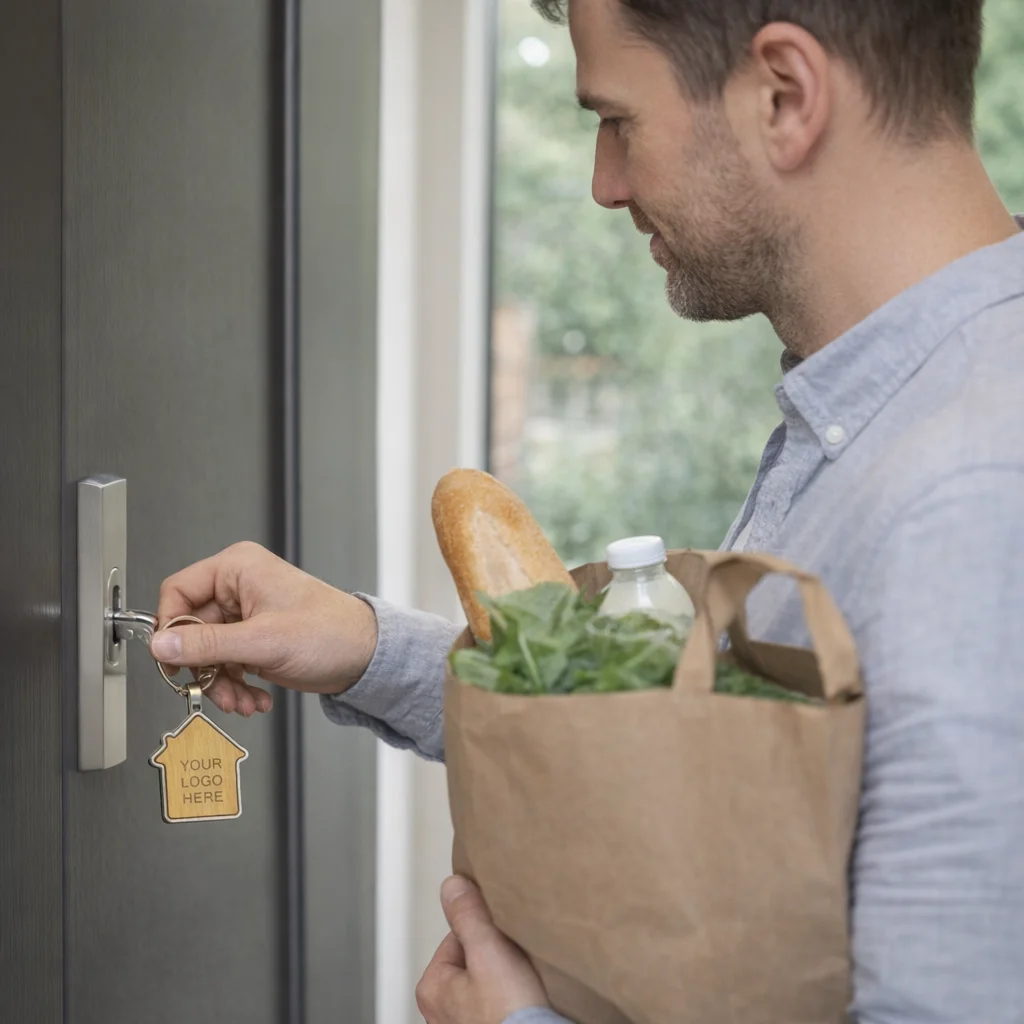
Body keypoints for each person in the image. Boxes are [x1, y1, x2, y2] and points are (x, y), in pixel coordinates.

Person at [151, 0, 1024, 1020]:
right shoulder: (881, 415)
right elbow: (684, 767)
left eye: (617, 120)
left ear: (784, 94)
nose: (603, 184)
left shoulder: (972, 497)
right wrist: (360, 643)